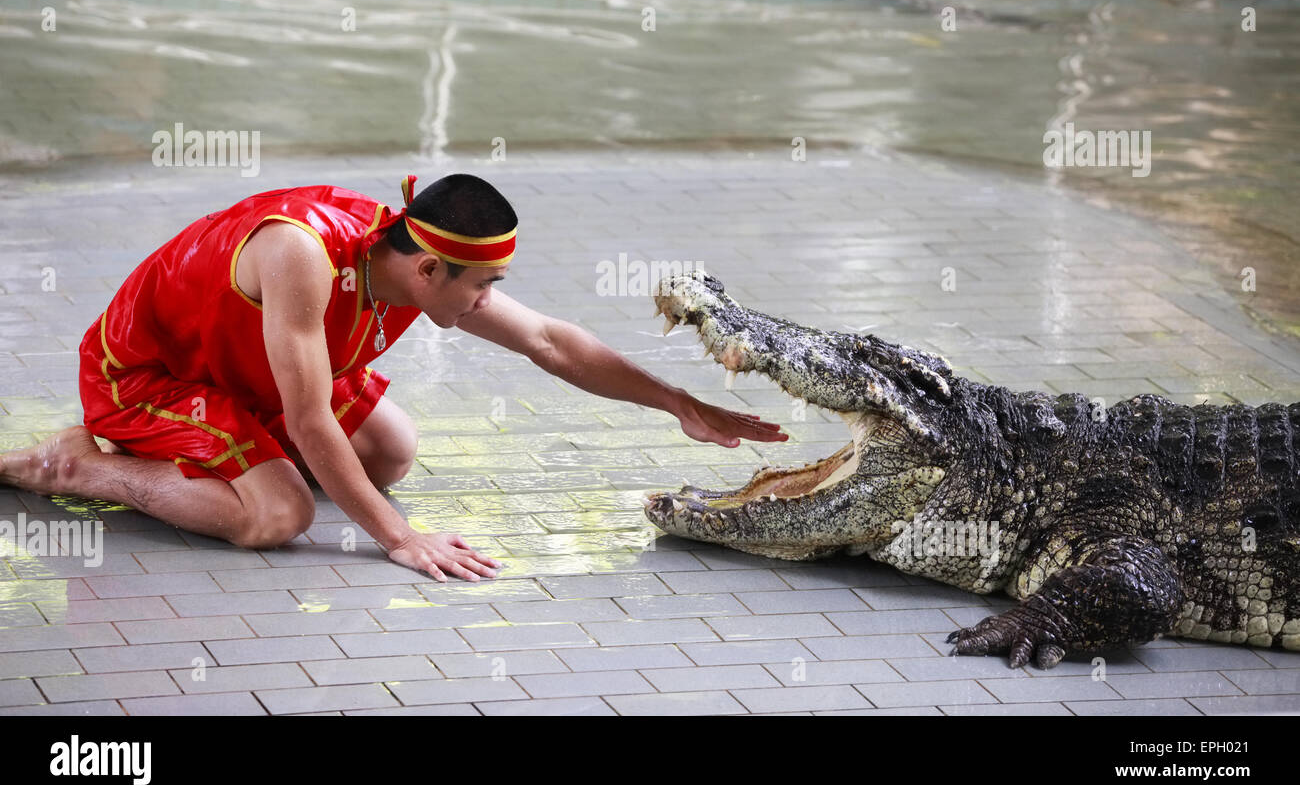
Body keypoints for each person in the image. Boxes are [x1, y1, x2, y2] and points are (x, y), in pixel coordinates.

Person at [0, 173, 787, 582]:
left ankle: (219, 457)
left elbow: (550, 342)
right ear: (431, 267)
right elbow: (309, 421)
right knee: (275, 518)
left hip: (244, 374)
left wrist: (678, 402)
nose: (490, 302)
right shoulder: (304, 257)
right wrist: (399, 538)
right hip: (151, 374)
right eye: (483, 285)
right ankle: (77, 464)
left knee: (390, 449)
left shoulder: (407, 263)